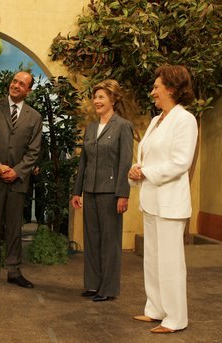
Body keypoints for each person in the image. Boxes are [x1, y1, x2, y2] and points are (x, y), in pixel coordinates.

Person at [128, 65, 197, 334]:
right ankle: (155, 308)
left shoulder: (185, 120)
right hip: (152, 200)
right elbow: (148, 156)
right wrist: (137, 169)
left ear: (171, 88)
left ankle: (176, 317)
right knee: (153, 259)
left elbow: (181, 162)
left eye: (156, 87)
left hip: (170, 203)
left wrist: (146, 171)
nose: (152, 92)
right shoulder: (157, 120)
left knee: (170, 262)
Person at [0, 71, 42, 291]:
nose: (16, 85)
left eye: (22, 84)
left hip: (17, 181)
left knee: (15, 228)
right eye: (15, 81)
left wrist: (17, 171)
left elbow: (34, 152)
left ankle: (14, 271)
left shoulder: (34, 117)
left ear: (28, 91)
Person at [70, 79, 133, 302]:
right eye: (95, 97)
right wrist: (77, 192)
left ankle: (108, 289)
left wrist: (123, 194)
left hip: (110, 192)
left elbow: (125, 162)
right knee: (91, 239)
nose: (96, 101)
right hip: (91, 190)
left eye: (101, 97)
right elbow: (83, 162)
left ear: (113, 99)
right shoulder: (91, 128)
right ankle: (93, 285)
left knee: (110, 241)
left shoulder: (123, 126)